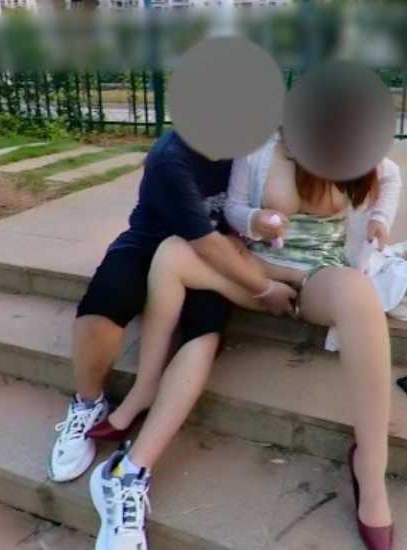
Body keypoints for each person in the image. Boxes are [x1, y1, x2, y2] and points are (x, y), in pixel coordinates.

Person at [98, 131, 401, 550]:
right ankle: (146, 385)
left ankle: (370, 466)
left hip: (317, 274)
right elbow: (236, 208)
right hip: (257, 270)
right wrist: (255, 220)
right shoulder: (262, 147)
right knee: (171, 252)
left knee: (360, 296)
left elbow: (391, 176)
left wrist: (380, 220)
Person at [47, 131, 297, 549]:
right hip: (151, 243)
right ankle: (88, 402)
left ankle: (130, 472)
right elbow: (207, 243)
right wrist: (263, 288)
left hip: (210, 259)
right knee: (107, 299)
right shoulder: (171, 157)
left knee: (204, 329)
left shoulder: (252, 147)